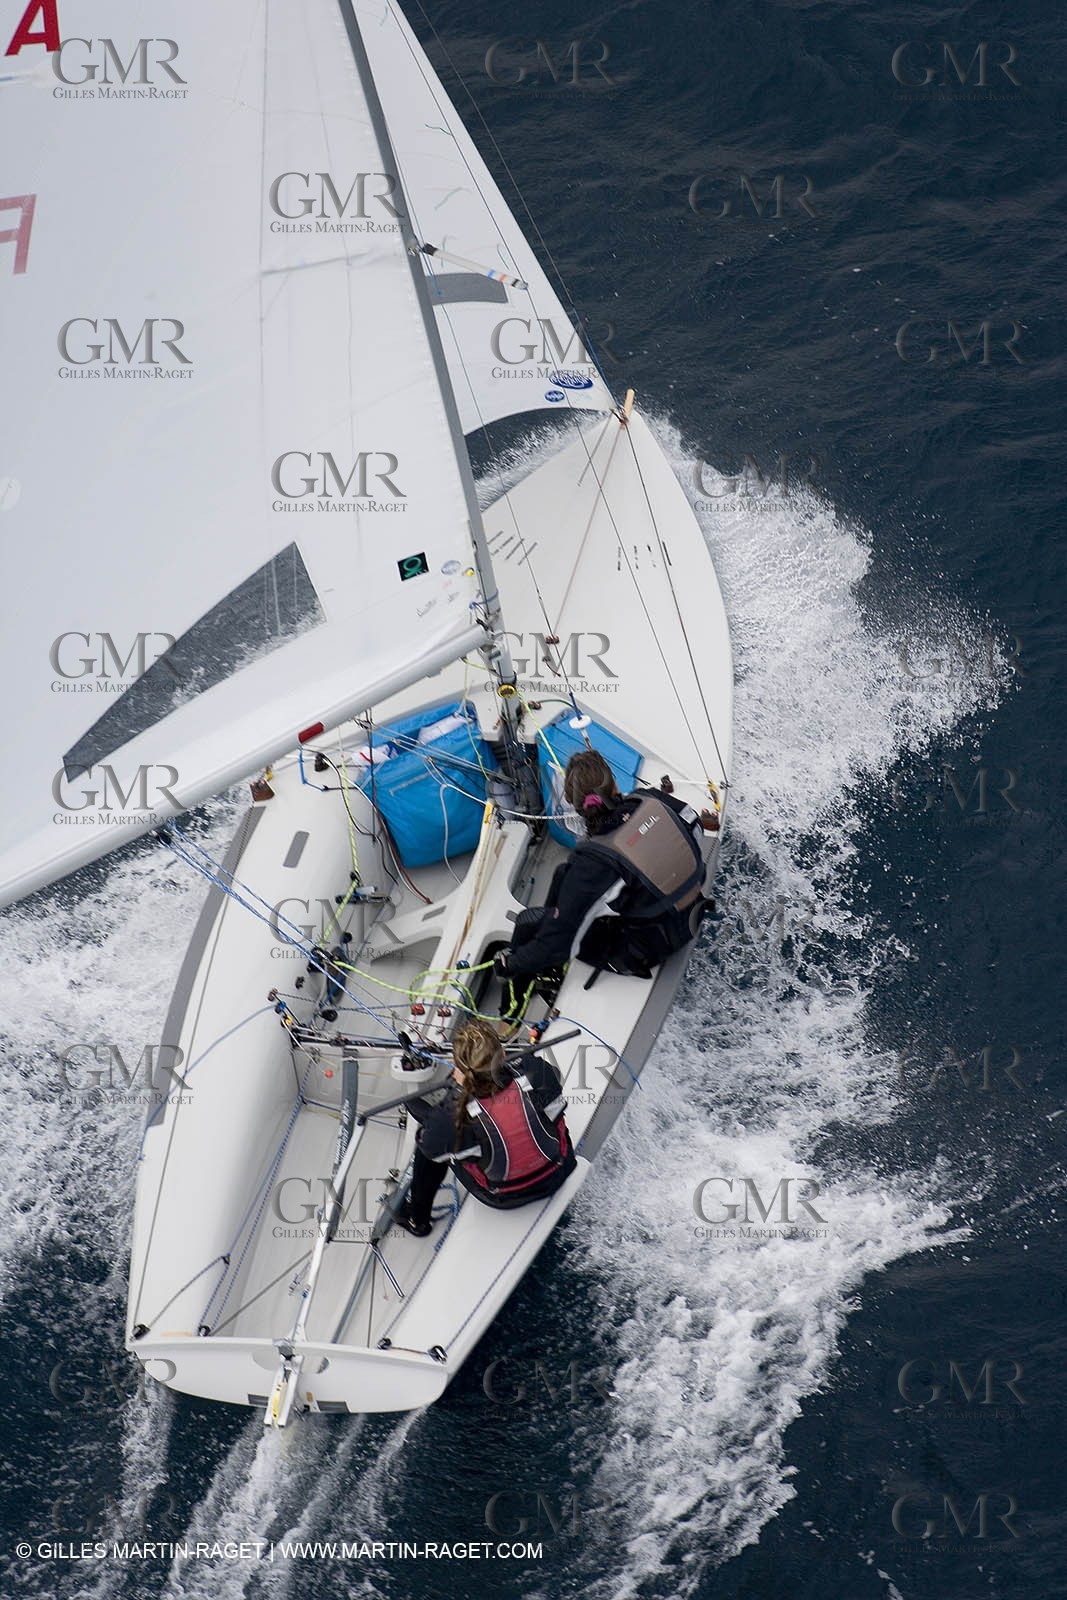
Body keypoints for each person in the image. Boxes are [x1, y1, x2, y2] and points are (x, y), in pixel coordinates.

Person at [495, 748, 711, 989]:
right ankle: (557, 925)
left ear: (573, 803)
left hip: (649, 948)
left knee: (528, 922)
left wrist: (511, 964)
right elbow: (694, 825)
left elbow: (559, 944)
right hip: (692, 911)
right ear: (615, 785)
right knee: (562, 875)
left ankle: (526, 993)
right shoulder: (648, 798)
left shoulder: (593, 861)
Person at [396, 1018, 577, 1237]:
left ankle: (418, 1219)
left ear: (458, 1069)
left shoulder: (452, 1115)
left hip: (505, 1195)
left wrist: (445, 1100)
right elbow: (553, 1086)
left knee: (428, 1146)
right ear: (502, 1053)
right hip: (561, 1168)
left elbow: (430, 1146)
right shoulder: (533, 1069)